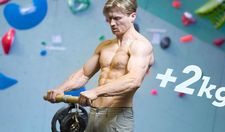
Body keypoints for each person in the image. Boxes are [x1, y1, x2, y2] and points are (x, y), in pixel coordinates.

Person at [46, 0, 154, 131]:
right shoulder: (104, 46)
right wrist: (61, 89)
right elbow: (84, 74)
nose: (112, 23)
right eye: (109, 19)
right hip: (94, 114)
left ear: (132, 16)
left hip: (116, 116)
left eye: (117, 18)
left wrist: (95, 92)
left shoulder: (141, 45)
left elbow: (133, 80)